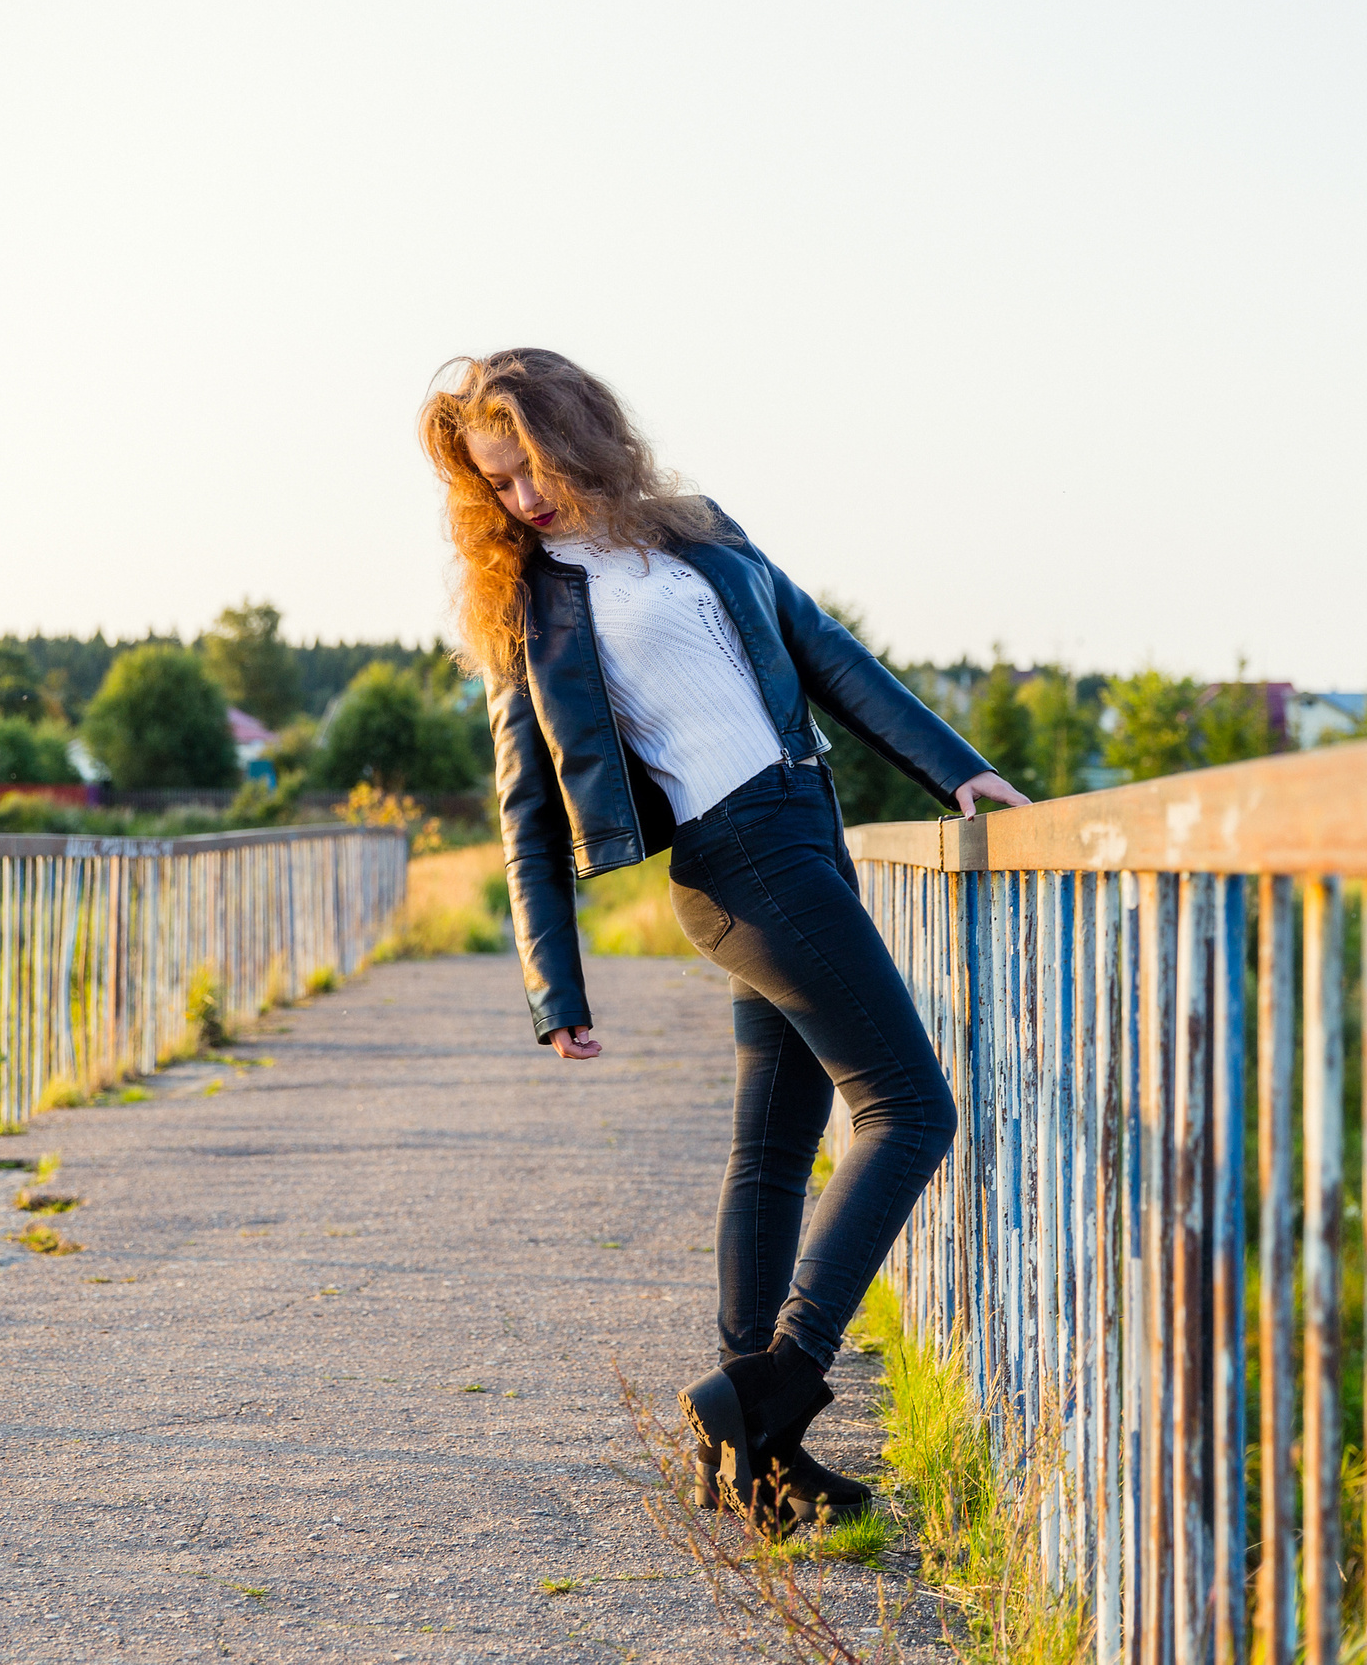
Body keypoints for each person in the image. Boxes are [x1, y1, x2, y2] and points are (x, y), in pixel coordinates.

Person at [420, 349, 1028, 1531]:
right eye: (498, 484)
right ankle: (778, 1384)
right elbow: (526, 810)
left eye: (533, 466)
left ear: (583, 438)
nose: (525, 498)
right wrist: (558, 984)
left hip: (805, 832)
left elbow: (827, 653)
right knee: (911, 1110)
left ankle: (752, 1461)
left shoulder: (697, 529)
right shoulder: (530, 609)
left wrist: (958, 769)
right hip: (738, 859)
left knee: (775, 1142)